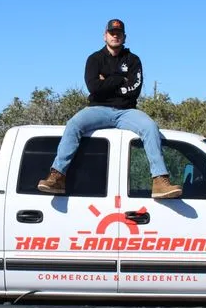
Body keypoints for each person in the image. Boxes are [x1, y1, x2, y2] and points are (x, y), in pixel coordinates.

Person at [37, 19, 181, 199]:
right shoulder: (94, 59)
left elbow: (134, 90)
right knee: (73, 124)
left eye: (118, 33)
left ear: (124, 37)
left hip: (127, 111)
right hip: (98, 109)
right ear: (105, 36)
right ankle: (57, 176)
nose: (115, 36)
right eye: (112, 33)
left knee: (150, 127)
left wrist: (107, 81)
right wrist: (121, 79)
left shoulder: (133, 60)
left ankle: (160, 180)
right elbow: (94, 88)